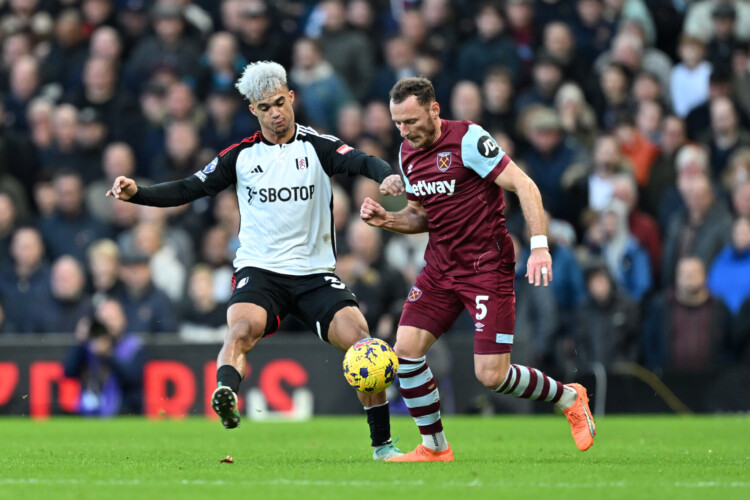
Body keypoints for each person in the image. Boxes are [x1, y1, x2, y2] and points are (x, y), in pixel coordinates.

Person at [106, 61, 405, 461]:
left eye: (280, 102)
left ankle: (382, 446)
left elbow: (364, 161)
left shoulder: (317, 148)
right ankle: (227, 392)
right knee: (241, 329)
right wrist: (137, 193)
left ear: (291, 97)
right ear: (253, 110)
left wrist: (385, 175)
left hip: (315, 274)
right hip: (260, 272)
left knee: (363, 343)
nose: (275, 113)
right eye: (265, 107)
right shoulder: (240, 156)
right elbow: (188, 188)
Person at [360, 77, 595, 462]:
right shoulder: (407, 153)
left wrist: (540, 248)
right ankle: (435, 448)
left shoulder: (469, 140)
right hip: (440, 267)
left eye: (411, 121)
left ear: (434, 110)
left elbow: (525, 186)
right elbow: (422, 215)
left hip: (487, 266)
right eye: (397, 123)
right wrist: (387, 219)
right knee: (405, 351)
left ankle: (569, 396)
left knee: (492, 375)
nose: (404, 131)